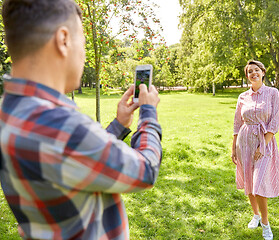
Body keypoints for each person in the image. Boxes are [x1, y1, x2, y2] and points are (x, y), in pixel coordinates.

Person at [0, 0, 162, 239]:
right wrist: (148, 113)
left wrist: (118, 125)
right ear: (63, 40)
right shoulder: (59, 125)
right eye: (83, 43)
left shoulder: (10, 112)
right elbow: (146, 171)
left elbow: (71, 160)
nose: (84, 54)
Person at [231, 60, 279, 240]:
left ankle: (266, 224)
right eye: (249, 71)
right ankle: (255, 215)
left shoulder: (272, 93)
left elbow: (274, 123)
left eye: (256, 70)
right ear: (247, 76)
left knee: (259, 183)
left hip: (264, 142)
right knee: (249, 183)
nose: (253, 73)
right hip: (244, 142)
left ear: (263, 72)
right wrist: (233, 148)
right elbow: (237, 124)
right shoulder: (242, 97)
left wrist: (263, 145)